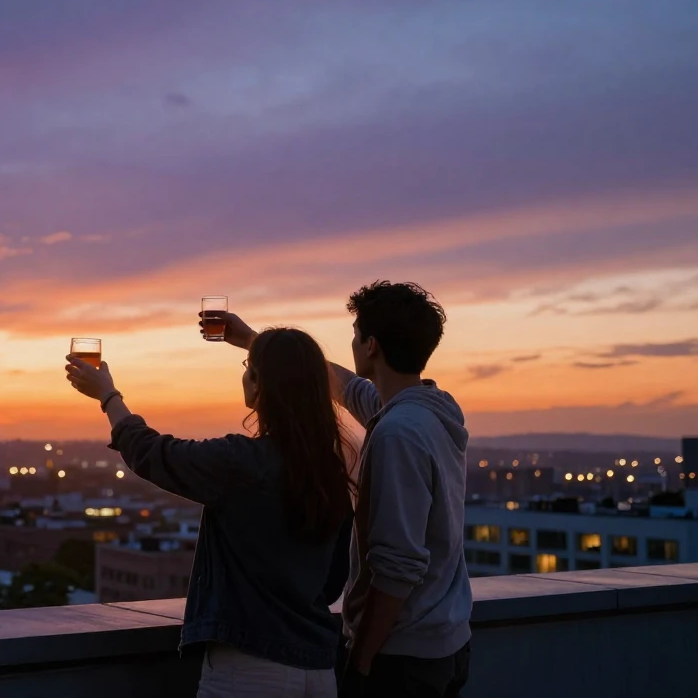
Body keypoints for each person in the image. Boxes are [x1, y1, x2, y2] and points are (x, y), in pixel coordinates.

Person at [65, 328, 356, 697]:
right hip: (318, 670)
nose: (244, 374)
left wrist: (109, 396)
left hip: (249, 669)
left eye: (249, 367)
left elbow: (155, 454)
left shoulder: (241, 462)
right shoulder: (330, 470)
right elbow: (331, 583)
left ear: (261, 383)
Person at [215, 282, 471, 698]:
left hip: (401, 657)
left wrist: (362, 659)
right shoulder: (430, 410)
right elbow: (344, 385)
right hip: (445, 641)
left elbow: (398, 565)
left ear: (370, 345)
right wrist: (252, 341)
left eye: (354, 335)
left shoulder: (398, 433)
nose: (351, 343)